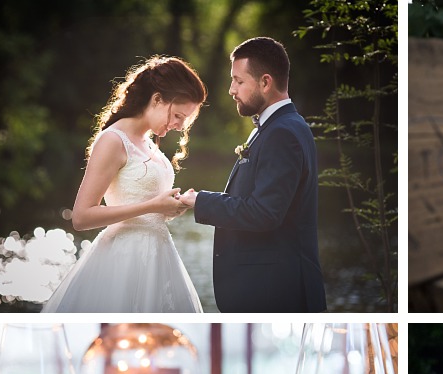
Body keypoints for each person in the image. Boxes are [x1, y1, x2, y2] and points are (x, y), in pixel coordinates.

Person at [42, 56, 206, 312]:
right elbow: (81, 217)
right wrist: (153, 206)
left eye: (184, 120)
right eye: (177, 116)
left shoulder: (149, 143)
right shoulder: (113, 140)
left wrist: (172, 206)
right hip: (123, 259)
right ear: (157, 99)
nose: (178, 126)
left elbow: (149, 206)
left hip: (159, 257)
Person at [177, 37, 326, 313]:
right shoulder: (279, 127)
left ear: (265, 82)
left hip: (277, 294)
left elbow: (264, 213)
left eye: (238, 81)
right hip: (271, 288)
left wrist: (201, 201)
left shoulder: (283, 133)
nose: (231, 90)